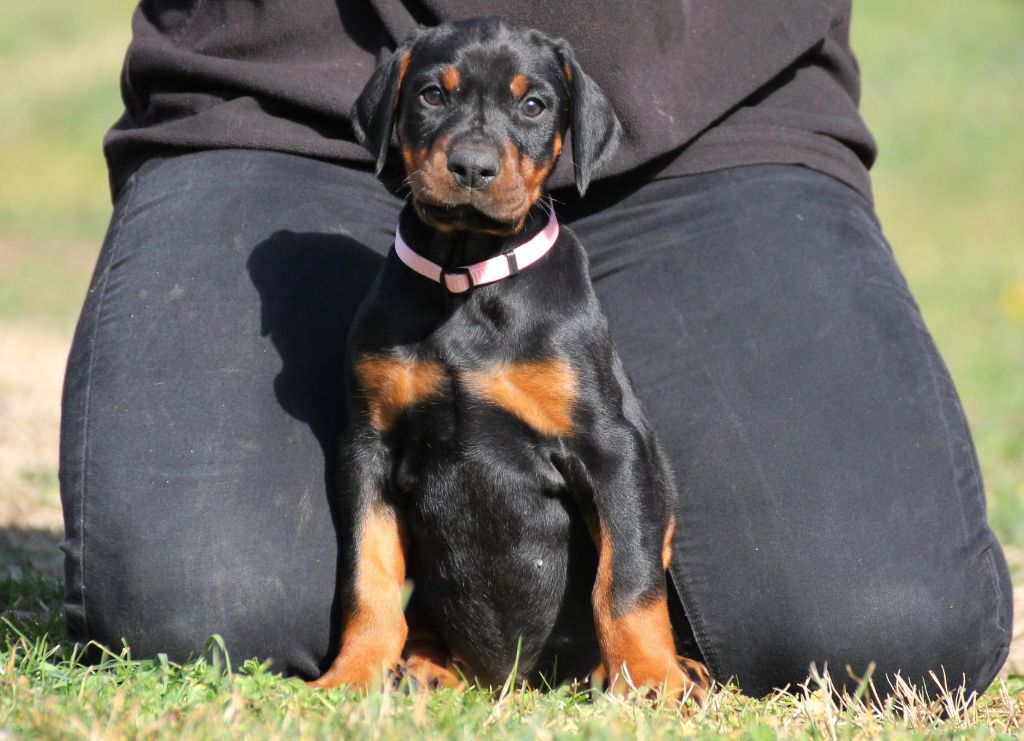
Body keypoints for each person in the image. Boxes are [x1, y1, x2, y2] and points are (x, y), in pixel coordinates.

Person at [59, 0, 1012, 698]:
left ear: (563, 137)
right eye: (438, 103)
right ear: (399, 110)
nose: (476, 154)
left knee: (891, 629)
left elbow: (617, 458)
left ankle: (630, 637)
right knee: (191, 606)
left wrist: (635, 632)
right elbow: (373, 461)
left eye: (522, 114)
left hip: (725, 112)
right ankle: (419, 637)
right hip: (277, 92)